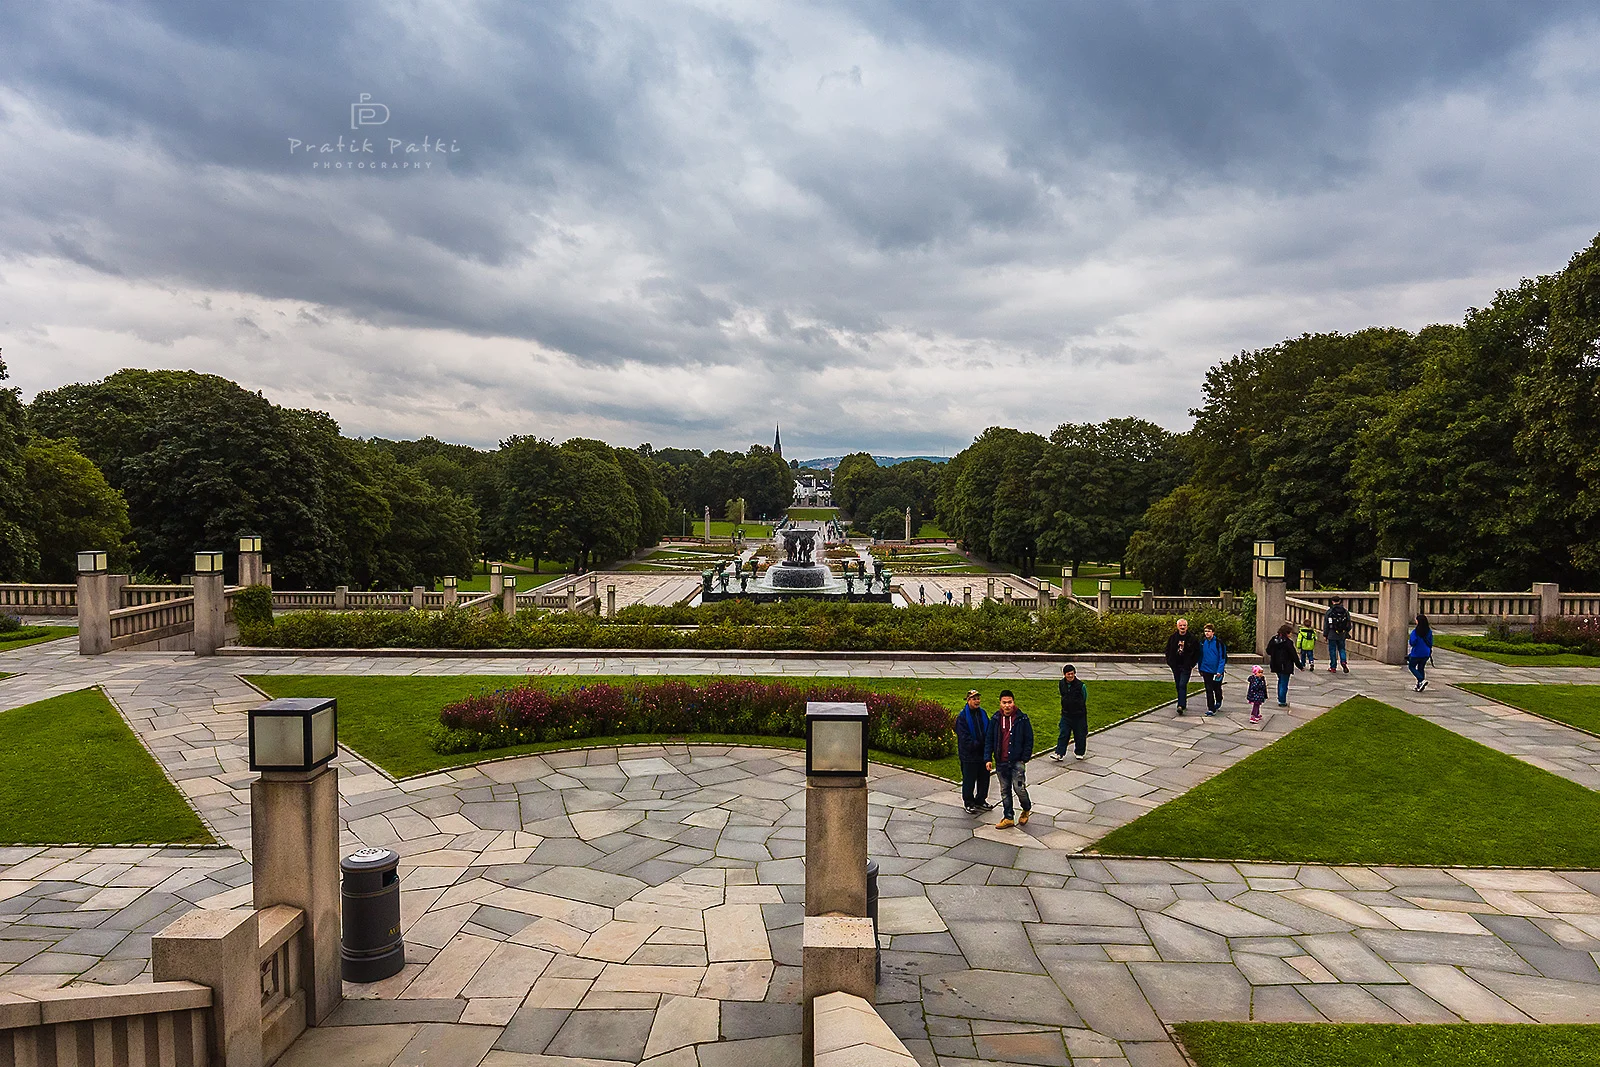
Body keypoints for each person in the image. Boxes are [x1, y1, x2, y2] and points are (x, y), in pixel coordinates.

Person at [985, 690, 1034, 828]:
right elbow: (989, 739)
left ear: (1014, 702)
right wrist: (988, 758)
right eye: (1004, 703)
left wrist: (1024, 757)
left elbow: (1029, 739)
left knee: (1019, 788)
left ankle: (1026, 808)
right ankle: (1008, 817)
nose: (1007, 706)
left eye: (1009, 702)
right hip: (1001, 761)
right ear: (1000, 703)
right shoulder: (995, 719)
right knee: (1004, 790)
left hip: (1017, 761)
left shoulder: (1022, 719)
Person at [954, 690, 994, 813]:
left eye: (978, 698)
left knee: (984, 778)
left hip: (982, 754)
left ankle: (981, 800)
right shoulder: (962, 717)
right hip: (969, 755)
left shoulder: (982, 713)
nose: (977, 701)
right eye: (974, 698)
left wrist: (988, 745)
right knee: (969, 780)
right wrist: (979, 744)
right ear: (968, 700)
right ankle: (969, 802)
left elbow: (989, 730)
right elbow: (964, 738)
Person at [1164, 618, 1202, 715]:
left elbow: (1197, 652)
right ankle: (1183, 703)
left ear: (1187, 626)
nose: (1182, 627)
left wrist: (1191, 664)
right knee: (1178, 685)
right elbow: (1168, 650)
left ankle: (1180, 705)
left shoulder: (1192, 638)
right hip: (1176, 665)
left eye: (1184, 625)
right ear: (1177, 626)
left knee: (1182, 684)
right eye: (1180, 626)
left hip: (1186, 666)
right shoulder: (1173, 638)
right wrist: (1170, 662)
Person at [1051, 664, 1088, 761]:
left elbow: (1084, 697)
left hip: (1079, 715)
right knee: (1063, 733)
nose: (1070, 676)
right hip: (1066, 714)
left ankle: (1080, 752)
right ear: (1064, 675)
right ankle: (1059, 753)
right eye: (1068, 674)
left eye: (1072, 674)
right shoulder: (1061, 683)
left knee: (1079, 734)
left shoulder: (1081, 685)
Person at [1198, 622, 1228, 715]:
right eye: (1205, 631)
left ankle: (1219, 699)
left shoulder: (1219, 643)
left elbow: (1222, 657)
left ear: (1213, 632)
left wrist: (1220, 670)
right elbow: (1200, 656)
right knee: (1208, 689)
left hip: (1216, 670)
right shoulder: (1202, 643)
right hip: (1206, 669)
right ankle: (1211, 708)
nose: (1207, 633)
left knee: (1217, 688)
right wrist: (1200, 668)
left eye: (1209, 631)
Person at [1266, 622, 1298, 707]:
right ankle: (1282, 700)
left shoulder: (1274, 639)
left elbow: (1268, 651)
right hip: (1285, 665)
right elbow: (1293, 655)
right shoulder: (1288, 643)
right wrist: (1299, 665)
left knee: (1280, 681)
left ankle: (1280, 698)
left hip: (1276, 664)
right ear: (1287, 633)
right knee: (1284, 683)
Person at [1325, 596, 1352, 673]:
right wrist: (1346, 631)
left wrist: (1325, 634)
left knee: (1333, 650)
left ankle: (1333, 667)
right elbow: (1349, 623)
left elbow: (1326, 624)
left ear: (1332, 601)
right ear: (1340, 601)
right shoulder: (1345, 611)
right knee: (1342, 649)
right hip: (1342, 634)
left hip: (1332, 634)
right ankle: (1343, 661)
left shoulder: (1330, 612)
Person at [1408, 613, 1434, 692]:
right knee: (1421, 668)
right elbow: (1430, 642)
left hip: (1417, 652)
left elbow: (1412, 642)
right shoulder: (1428, 631)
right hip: (1426, 653)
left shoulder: (1415, 631)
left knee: (1411, 666)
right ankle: (1419, 684)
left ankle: (1421, 680)